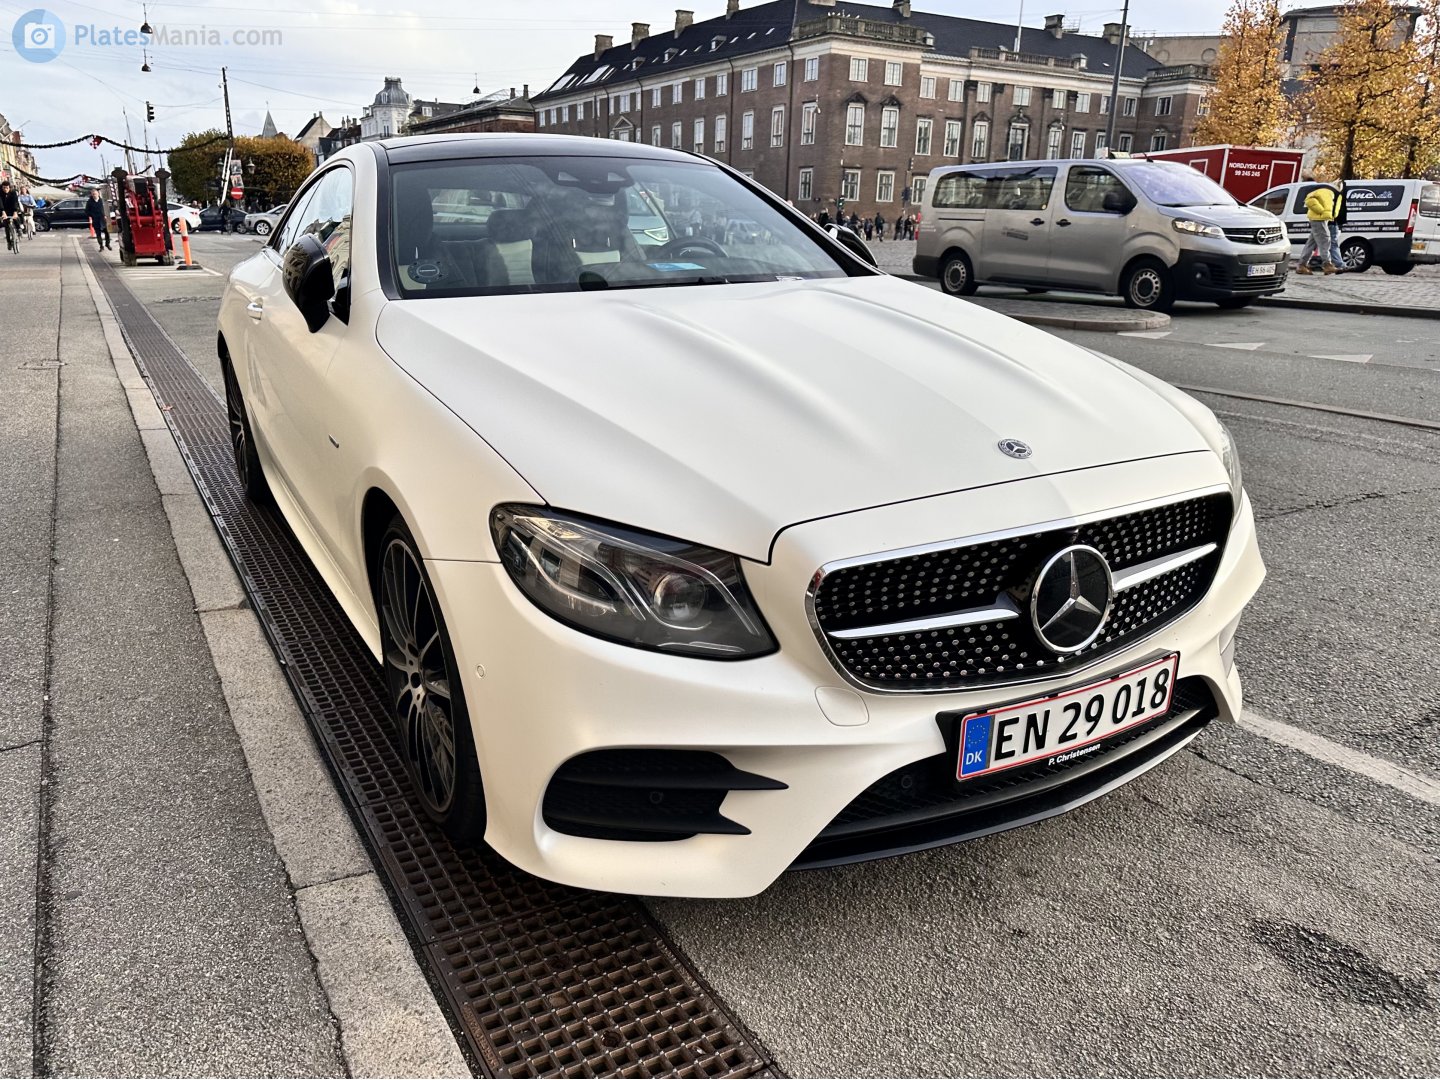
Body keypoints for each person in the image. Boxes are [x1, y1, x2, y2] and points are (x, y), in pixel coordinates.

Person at [1296, 173, 1340, 275]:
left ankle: (1302, 265)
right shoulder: (1326, 192)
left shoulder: (1328, 193)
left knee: (1312, 243)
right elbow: (1309, 199)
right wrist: (1320, 211)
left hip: (1320, 218)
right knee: (1325, 239)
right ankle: (1327, 265)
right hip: (1318, 218)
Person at [0, 180, 21, 252]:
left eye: (7, 188)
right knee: (7, 227)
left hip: (12, 208)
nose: (5, 189)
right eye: (3, 188)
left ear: (9, 188)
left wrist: (15, 212)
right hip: (3, 210)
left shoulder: (13, 192)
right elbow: (0, 203)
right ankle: (9, 242)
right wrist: (3, 212)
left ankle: (19, 229)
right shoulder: (0, 193)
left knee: (16, 218)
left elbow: (15, 202)